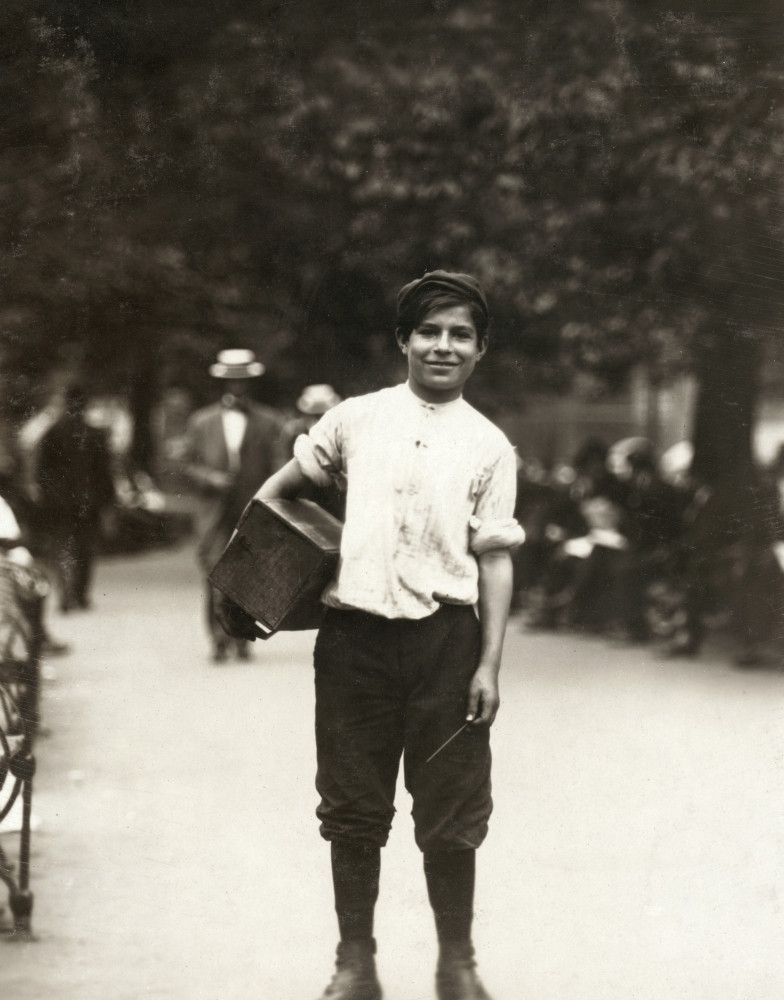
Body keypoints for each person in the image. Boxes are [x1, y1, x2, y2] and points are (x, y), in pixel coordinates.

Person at [220, 272, 523, 999]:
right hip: (353, 642)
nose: (442, 346)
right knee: (353, 807)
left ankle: (457, 961)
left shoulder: (489, 445)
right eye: (429, 331)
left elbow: (497, 561)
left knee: (452, 812)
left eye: (459, 335)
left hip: (446, 644)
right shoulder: (354, 421)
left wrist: (489, 666)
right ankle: (355, 962)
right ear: (403, 340)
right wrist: (258, 582)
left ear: (480, 350)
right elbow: (275, 496)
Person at [180, 349, 282, 663]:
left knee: (248, 575)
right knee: (214, 572)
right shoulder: (202, 421)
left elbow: (279, 466)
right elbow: (186, 463)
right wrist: (210, 478)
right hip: (213, 510)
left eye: (243, 381)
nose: (238, 387)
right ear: (223, 383)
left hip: (252, 509)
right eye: (232, 381)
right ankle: (218, 639)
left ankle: (242, 637)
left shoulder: (269, 421)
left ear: (250, 383)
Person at [35, 383, 116, 613]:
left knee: (63, 548)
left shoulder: (53, 432)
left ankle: (66, 593)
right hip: (87, 503)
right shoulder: (94, 434)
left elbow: (42, 472)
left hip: (61, 503)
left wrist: (49, 497)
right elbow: (105, 473)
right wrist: (107, 502)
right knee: (84, 549)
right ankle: (78, 595)